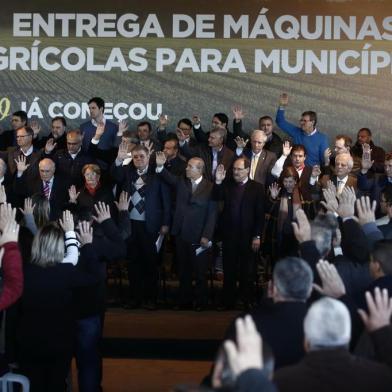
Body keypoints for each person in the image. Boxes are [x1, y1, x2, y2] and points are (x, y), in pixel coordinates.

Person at [15, 221, 103, 392]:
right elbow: (96, 276)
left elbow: (13, 313)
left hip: (28, 343)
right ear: (58, 247)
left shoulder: (24, 272)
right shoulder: (65, 272)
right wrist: (86, 245)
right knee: (56, 384)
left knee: (34, 385)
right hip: (59, 343)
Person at [274, 297, 392, 392]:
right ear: (348, 338)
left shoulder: (278, 382)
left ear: (306, 342)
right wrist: (381, 332)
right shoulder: (379, 378)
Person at [223, 257, 312, 369]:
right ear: (309, 290)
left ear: (272, 288)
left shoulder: (246, 324)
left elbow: (222, 374)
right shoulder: (320, 323)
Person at [156, 152, 217, 310]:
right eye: (187, 165)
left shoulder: (210, 187)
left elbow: (212, 214)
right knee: (184, 271)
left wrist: (206, 235)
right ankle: (184, 301)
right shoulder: (181, 182)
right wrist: (161, 166)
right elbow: (167, 177)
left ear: (200, 170)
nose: (187, 169)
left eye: (190, 167)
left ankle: (201, 302)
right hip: (181, 234)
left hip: (199, 236)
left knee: (200, 272)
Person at [112, 144, 171, 309]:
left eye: (141, 156)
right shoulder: (126, 172)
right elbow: (114, 176)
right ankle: (134, 298)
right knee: (132, 263)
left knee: (150, 263)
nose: (138, 159)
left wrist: (166, 223)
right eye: (135, 156)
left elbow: (166, 201)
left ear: (148, 156)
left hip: (150, 226)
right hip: (129, 225)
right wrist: (119, 159)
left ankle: (150, 299)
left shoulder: (157, 174)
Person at [213, 158, 265, 309]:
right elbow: (216, 197)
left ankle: (246, 300)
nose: (235, 172)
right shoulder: (227, 184)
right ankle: (227, 301)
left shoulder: (257, 188)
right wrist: (217, 182)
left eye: (239, 169)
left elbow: (259, 215)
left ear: (247, 170)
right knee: (229, 270)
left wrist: (257, 236)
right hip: (229, 236)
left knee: (247, 271)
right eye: (234, 169)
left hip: (249, 237)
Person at [276, 93, 329, 166]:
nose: (301, 123)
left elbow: (323, 161)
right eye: (301, 120)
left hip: (312, 174)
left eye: (305, 121)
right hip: (295, 171)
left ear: (312, 122)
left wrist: (326, 159)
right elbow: (280, 122)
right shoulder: (296, 132)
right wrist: (282, 106)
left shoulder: (322, 139)